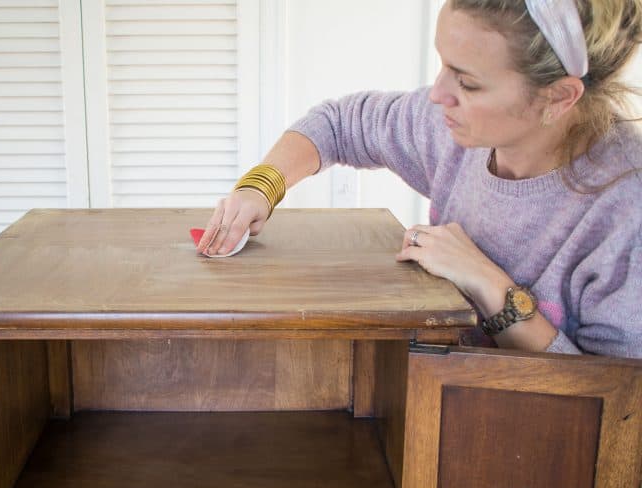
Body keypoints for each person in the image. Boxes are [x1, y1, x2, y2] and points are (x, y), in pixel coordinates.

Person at [197, 0, 642, 359]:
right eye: (444, 64)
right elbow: (338, 123)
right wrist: (261, 186)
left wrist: (488, 284)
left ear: (558, 96)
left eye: (467, 83)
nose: (437, 94)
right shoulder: (447, 128)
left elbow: (618, 407)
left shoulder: (626, 208)